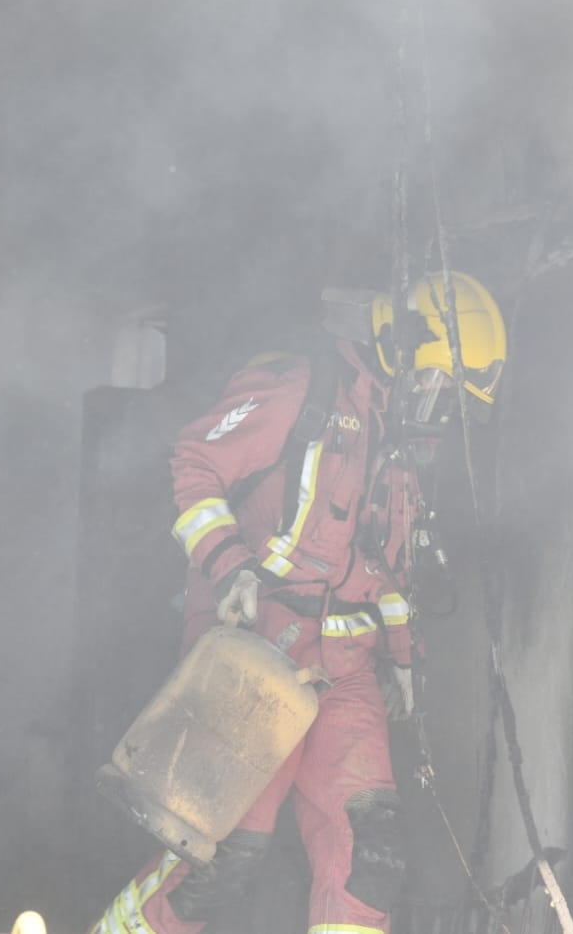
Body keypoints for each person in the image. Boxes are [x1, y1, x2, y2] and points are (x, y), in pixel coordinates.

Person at [92, 271, 507, 934]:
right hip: (254, 655)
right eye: (433, 387)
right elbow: (194, 462)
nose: (433, 410)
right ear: (394, 350)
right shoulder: (296, 389)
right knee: (217, 860)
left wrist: (403, 657)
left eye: (448, 400)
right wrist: (230, 568)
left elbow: (385, 571)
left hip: (344, 674)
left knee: (372, 856)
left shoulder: (395, 451)